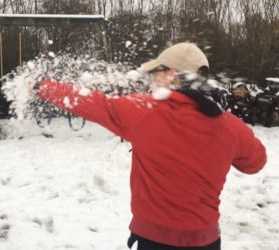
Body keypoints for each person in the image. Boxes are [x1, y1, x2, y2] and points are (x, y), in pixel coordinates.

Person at [36, 42, 267, 250]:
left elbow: (92, 102)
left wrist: (42, 87)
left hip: (155, 242)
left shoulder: (143, 112)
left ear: (172, 75)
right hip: (206, 242)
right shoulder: (228, 126)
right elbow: (256, 162)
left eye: (157, 73)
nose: (152, 80)